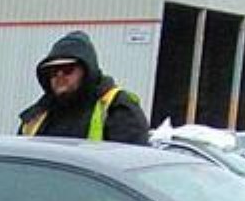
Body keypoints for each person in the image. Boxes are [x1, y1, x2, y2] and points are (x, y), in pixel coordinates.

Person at [18, 31, 151, 145]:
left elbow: (131, 163)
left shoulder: (117, 108)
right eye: (53, 71)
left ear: (87, 71)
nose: (59, 76)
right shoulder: (37, 115)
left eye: (67, 69)